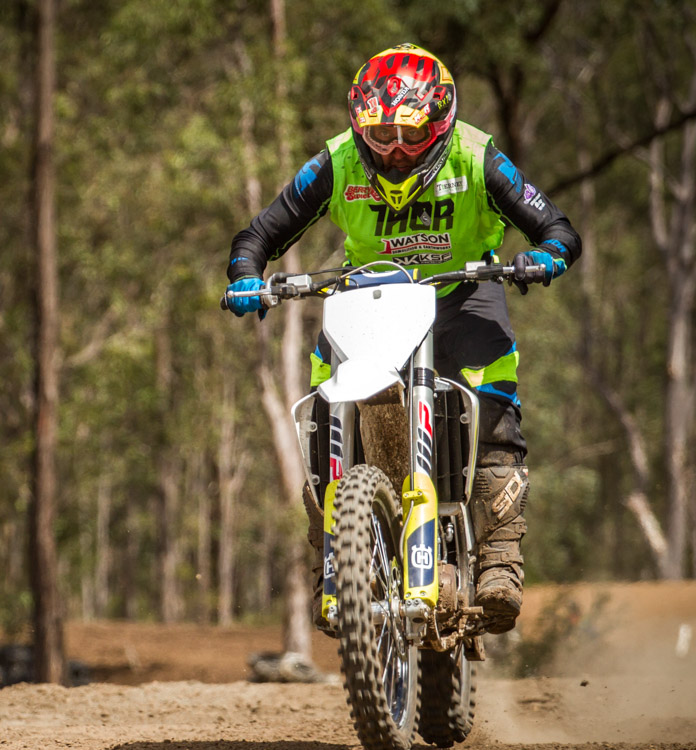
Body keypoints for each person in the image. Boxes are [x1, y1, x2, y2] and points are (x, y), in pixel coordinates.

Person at [223, 44, 581, 635]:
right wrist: (244, 276)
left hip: (465, 291)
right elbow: (260, 233)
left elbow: (557, 227)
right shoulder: (337, 162)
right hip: (367, 298)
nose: (392, 149)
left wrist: (543, 255)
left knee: (493, 413)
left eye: (410, 135)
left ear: (439, 125)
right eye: (381, 132)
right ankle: (335, 560)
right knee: (322, 416)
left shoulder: (477, 155)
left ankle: (499, 563)